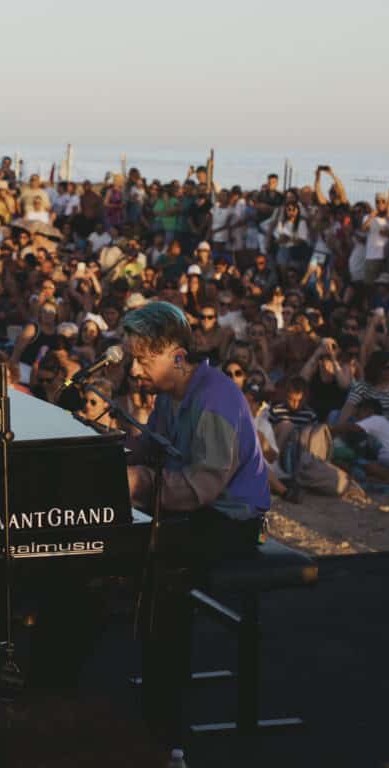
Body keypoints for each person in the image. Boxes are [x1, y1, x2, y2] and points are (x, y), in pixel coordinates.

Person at [119, 301, 268, 747]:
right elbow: (148, 448)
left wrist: (140, 482)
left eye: (145, 359)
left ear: (178, 356)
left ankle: (167, 729)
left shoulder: (216, 399)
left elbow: (202, 485)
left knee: (163, 573)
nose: (136, 368)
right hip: (198, 513)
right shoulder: (171, 396)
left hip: (229, 521)